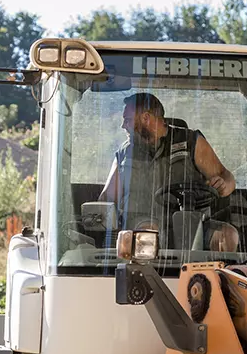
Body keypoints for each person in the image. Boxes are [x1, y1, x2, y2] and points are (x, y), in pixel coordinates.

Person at [99, 92, 239, 252]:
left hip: (193, 222)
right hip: (142, 223)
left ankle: (214, 276)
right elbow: (107, 198)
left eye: (127, 120)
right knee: (147, 231)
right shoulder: (124, 153)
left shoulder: (191, 142)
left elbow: (226, 177)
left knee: (228, 235)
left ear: (145, 118)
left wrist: (224, 185)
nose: (123, 126)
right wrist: (98, 210)